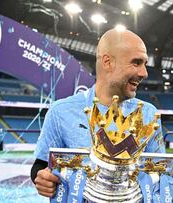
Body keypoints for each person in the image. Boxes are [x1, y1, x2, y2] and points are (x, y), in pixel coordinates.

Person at [31, 28, 165, 198]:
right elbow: (40, 165)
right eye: (136, 62)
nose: (144, 73)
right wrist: (42, 179)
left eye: (145, 64)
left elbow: (160, 173)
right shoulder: (61, 111)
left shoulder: (148, 114)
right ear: (107, 62)